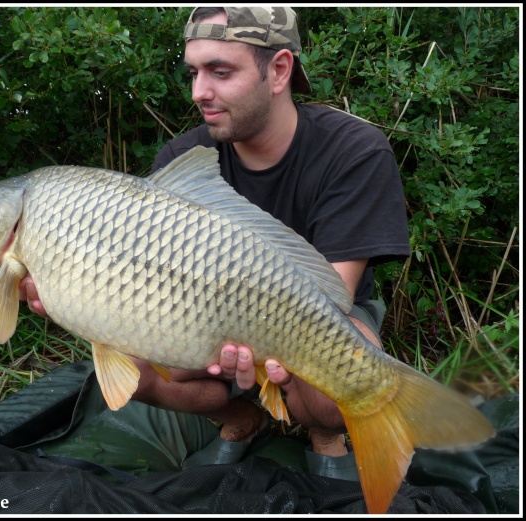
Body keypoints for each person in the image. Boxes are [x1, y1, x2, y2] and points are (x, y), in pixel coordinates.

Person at [20, 6, 410, 476]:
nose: (199, 92)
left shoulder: (353, 150)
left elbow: (333, 296)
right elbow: (148, 283)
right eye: (195, 72)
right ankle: (239, 419)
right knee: (137, 366)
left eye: (220, 72)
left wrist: (259, 341)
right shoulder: (184, 157)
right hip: (198, 311)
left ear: (280, 70)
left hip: (311, 315)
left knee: (333, 376)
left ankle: (327, 437)